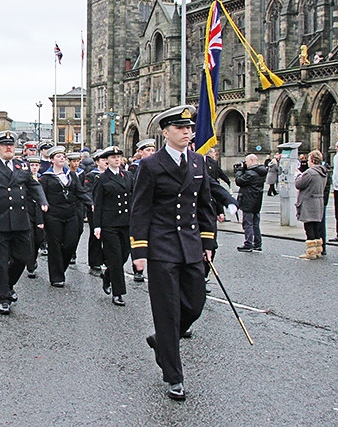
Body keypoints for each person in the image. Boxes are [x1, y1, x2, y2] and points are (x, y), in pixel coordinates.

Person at [130, 105, 216, 401]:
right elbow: (140, 208)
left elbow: (205, 205)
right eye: (181, 128)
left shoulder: (198, 162)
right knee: (167, 312)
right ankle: (173, 376)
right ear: (165, 133)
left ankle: (161, 342)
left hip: (191, 244)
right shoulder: (151, 165)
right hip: (162, 246)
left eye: (190, 128)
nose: (187, 132)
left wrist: (208, 243)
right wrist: (139, 249)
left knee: (195, 304)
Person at [0, 131, 49, 315]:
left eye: (11, 145)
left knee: (23, 258)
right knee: (1, 261)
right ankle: (3, 298)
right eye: (5, 145)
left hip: (21, 220)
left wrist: (42, 201)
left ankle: (8, 284)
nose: (9, 148)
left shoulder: (22, 166)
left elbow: (34, 185)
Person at [40, 146, 93, 288]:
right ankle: (56, 276)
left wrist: (91, 204)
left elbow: (80, 192)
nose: (61, 158)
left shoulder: (71, 175)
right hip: (53, 215)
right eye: (58, 156)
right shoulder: (46, 177)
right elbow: (41, 197)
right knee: (55, 245)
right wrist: (41, 219)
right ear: (52, 160)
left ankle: (61, 267)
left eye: (63, 156)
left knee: (71, 242)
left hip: (70, 213)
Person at [93, 146, 134, 306]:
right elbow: (98, 204)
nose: (117, 159)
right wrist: (97, 226)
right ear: (107, 160)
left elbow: (133, 197)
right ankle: (118, 293)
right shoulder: (102, 179)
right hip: (109, 223)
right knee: (115, 257)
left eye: (118, 157)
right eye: (113, 157)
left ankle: (108, 275)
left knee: (124, 255)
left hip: (126, 221)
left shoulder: (128, 175)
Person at [129, 139, 156, 282]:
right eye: (148, 150)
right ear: (140, 152)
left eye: (153, 150)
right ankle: (137, 270)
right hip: (140, 206)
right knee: (139, 237)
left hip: (155, 209)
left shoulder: (158, 166)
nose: (151, 153)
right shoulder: (135, 168)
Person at [295, 150, 328, 259]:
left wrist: (298, 176)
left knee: (309, 227)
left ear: (313, 160)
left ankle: (311, 252)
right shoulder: (323, 172)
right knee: (316, 227)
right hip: (318, 201)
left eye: (309, 160)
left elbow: (299, 184)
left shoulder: (310, 172)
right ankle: (318, 250)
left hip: (309, 202)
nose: (308, 162)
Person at [235, 154, 268, 252]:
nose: (246, 163)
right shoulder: (261, 172)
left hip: (248, 200)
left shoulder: (250, 174)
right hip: (257, 200)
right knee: (255, 223)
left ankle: (248, 243)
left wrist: (239, 171)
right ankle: (257, 243)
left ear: (252, 161)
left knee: (248, 223)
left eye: (247, 161)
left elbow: (239, 181)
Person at [84, 149, 107, 275]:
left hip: (108, 210)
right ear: (97, 162)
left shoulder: (111, 175)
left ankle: (107, 259)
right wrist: (92, 204)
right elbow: (87, 191)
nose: (105, 162)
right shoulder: (91, 175)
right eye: (103, 160)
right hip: (95, 210)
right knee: (95, 235)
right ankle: (95, 262)